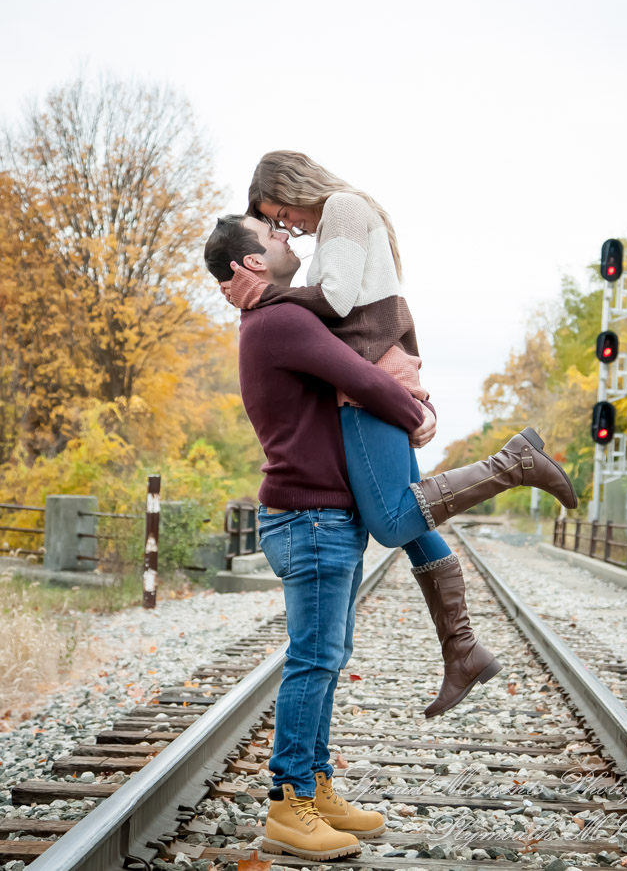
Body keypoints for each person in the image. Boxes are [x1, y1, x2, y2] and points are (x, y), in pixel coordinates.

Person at [219, 151, 577, 717]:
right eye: (275, 223)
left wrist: (267, 295)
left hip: (368, 384)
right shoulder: (348, 214)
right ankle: (461, 651)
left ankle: (514, 465)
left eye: (280, 213)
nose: (287, 226)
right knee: (413, 521)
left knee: (390, 520)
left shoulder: (341, 208)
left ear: (292, 187)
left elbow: (335, 304)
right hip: (374, 376)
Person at [204, 214, 439, 860]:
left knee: (326, 658)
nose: (289, 241)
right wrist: (417, 415)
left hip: (318, 517)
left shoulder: (276, 319)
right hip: (308, 517)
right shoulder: (281, 321)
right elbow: (364, 380)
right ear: (249, 264)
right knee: (313, 660)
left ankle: (314, 784)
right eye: (273, 237)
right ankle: (288, 805)